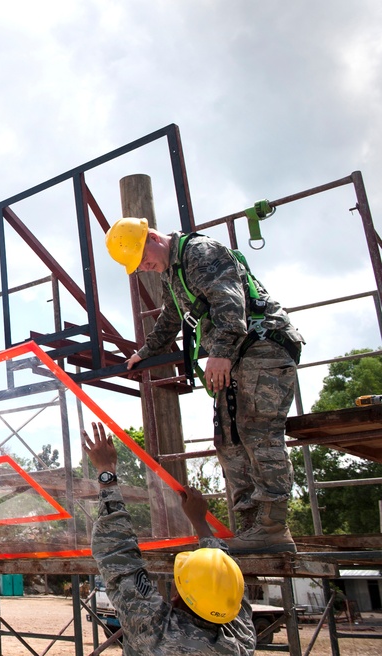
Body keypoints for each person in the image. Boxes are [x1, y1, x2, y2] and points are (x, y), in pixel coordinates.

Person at [105, 217, 303, 554]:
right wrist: (145, 352)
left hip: (262, 346)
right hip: (237, 353)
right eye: (138, 265)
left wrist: (221, 352)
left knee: (257, 431)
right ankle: (252, 527)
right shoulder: (173, 272)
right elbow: (171, 316)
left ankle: (273, 527)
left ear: (153, 237)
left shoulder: (200, 252)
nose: (145, 266)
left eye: (143, 257)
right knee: (228, 438)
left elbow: (230, 303)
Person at [83, 422, 256, 655]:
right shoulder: (239, 642)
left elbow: (117, 553)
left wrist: (106, 470)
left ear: (177, 594)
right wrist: (200, 522)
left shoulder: (158, 636)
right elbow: (225, 580)